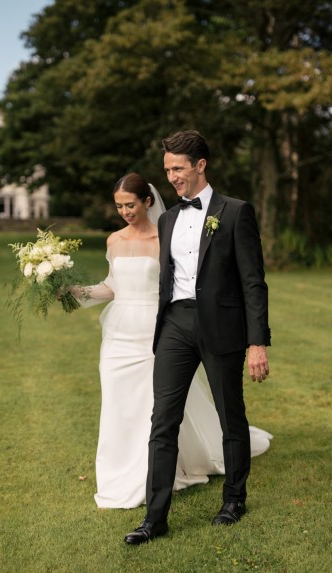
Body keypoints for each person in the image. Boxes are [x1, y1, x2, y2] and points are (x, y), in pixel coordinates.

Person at [69, 172, 271, 510]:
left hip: (155, 328)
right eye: (119, 206)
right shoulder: (114, 241)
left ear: (147, 201)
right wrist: (73, 292)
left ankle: (159, 474)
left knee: (156, 408)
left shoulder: (168, 234)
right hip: (119, 333)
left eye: (130, 204)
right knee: (120, 405)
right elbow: (113, 286)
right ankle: (120, 474)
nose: (124, 212)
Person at [124, 131, 271, 545]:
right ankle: (155, 519)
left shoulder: (236, 212)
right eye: (167, 169)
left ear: (201, 165)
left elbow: (253, 282)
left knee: (230, 415)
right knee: (163, 420)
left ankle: (234, 500)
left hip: (221, 327)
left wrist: (257, 342)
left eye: (178, 168)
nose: (171, 176)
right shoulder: (168, 218)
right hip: (175, 325)